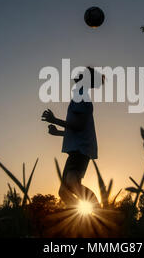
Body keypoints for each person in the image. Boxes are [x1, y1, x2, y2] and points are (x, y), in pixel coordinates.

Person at [41, 67, 103, 208]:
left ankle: (99, 212)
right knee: (64, 192)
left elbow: (79, 126)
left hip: (80, 151)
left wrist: (55, 120)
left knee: (72, 184)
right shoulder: (79, 97)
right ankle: (85, 221)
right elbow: (78, 130)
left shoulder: (81, 97)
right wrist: (58, 132)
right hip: (78, 149)